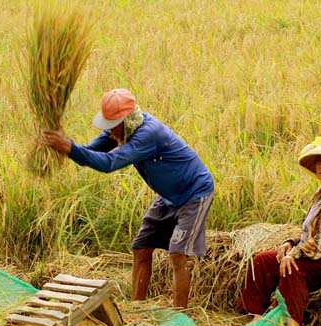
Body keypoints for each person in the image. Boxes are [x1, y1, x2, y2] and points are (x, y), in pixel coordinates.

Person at [42, 88, 214, 309]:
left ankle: (180, 316)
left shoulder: (148, 134)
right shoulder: (121, 130)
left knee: (178, 254)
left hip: (194, 193)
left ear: (127, 119)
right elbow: (90, 152)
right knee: (141, 248)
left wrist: (69, 147)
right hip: (168, 196)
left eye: (113, 126)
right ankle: (136, 310)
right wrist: (65, 144)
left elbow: (108, 163)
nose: (110, 132)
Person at [239, 136, 321, 326]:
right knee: (262, 261)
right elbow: (310, 230)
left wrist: (296, 253)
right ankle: (256, 316)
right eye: (319, 162)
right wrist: (290, 244)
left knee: (294, 268)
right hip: (317, 254)